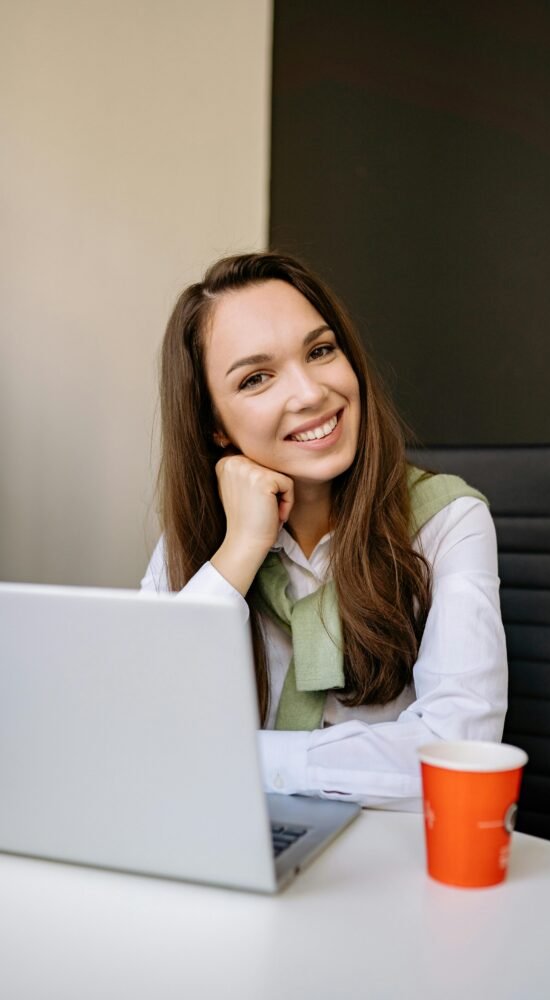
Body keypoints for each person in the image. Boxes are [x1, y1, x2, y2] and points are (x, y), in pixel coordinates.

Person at [141, 252, 507, 810]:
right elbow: (141, 723)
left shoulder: (447, 522)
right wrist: (240, 550)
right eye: (257, 378)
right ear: (214, 424)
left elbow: (458, 747)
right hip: (230, 838)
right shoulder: (201, 542)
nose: (310, 393)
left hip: (389, 854)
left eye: (320, 351)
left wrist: (242, 758)